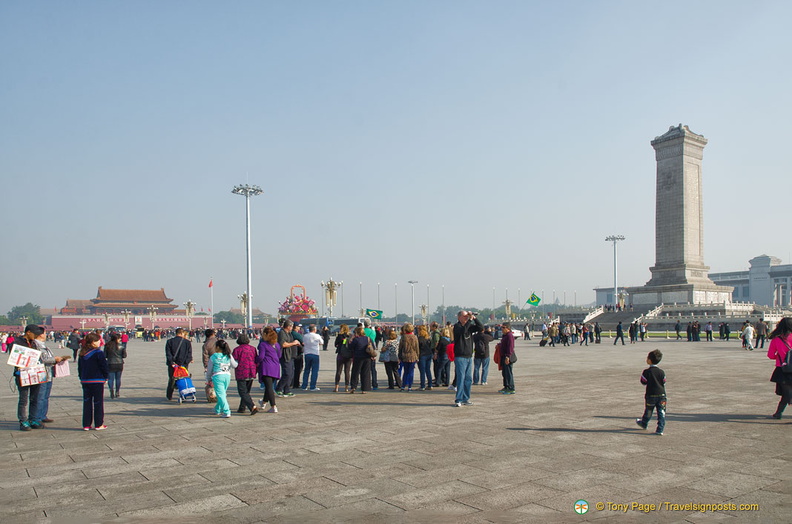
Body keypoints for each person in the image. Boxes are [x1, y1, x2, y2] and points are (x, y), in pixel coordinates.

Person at [14, 325, 47, 430]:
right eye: (35, 333)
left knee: (35, 398)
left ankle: (33, 419)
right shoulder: (17, 342)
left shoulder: (34, 343)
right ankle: (23, 421)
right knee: (23, 399)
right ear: (28, 332)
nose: (37, 336)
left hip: (35, 373)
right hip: (22, 374)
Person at [78, 332, 109, 431]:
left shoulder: (82, 353)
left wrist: (81, 377)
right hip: (97, 380)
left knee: (87, 402)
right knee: (98, 402)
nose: (99, 342)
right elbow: (104, 366)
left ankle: (86, 424)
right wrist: (106, 377)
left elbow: (80, 368)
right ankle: (98, 424)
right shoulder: (98, 353)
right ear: (92, 342)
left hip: (85, 380)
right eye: (97, 340)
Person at [452, 310, 483, 407]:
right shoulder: (457, 327)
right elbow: (463, 331)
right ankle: (459, 399)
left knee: (468, 379)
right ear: (459, 317)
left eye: (467, 316)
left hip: (469, 356)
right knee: (461, 378)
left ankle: (466, 398)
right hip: (460, 356)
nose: (466, 318)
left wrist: (475, 319)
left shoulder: (469, 326)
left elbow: (480, 328)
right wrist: (469, 320)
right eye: (464, 316)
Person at [635, 349, 666, 436]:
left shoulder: (646, 372)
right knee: (661, 412)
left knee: (649, 410)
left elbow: (643, 382)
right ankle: (660, 429)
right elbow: (664, 381)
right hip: (662, 394)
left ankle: (644, 423)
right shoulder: (661, 372)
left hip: (651, 394)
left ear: (649, 360)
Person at [768, 318, 792, 419]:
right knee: (788, 395)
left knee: (787, 394)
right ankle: (778, 413)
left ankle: (778, 413)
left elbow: (770, 355)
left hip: (783, 369)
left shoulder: (776, 339)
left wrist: (779, 357)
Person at [206, 339, 237, 418]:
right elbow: (234, 365)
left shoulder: (214, 356)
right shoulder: (228, 355)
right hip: (227, 375)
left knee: (221, 395)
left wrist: (208, 378)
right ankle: (217, 409)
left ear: (218, 347)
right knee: (222, 394)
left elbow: (209, 369)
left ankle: (227, 411)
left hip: (217, 376)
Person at [256, 327, 281, 413]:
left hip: (266, 367)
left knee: (269, 387)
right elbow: (279, 355)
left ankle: (273, 406)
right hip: (275, 367)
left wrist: (255, 361)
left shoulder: (263, 345)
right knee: (269, 386)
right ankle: (263, 402)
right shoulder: (277, 344)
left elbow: (261, 356)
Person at [232, 334, 258, 415]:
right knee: (246, 391)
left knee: (242, 391)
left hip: (242, 372)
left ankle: (252, 406)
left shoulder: (237, 350)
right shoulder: (253, 349)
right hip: (251, 371)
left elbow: (233, 361)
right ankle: (242, 407)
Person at [165, 328, 193, 401]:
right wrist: (185, 363)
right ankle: (183, 394)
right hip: (183, 365)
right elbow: (189, 355)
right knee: (183, 379)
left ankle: (169, 395)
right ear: (181, 333)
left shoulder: (169, 341)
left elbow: (168, 354)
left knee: (172, 379)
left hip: (173, 365)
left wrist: (172, 363)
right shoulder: (187, 342)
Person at [276, 320, 300, 397]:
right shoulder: (282, 333)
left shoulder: (289, 333)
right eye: (291, 326)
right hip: (285, 356)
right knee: (287, 373)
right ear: (288, 326)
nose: (292, 328)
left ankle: (287, 390)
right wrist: (293, 343)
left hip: (291, 356)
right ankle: (279, 388)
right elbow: (283, 344)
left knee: (291, 374)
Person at [348, 327, 372, 393]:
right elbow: (373, 346)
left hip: (358, 357)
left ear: (357, 332)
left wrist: (351, 339)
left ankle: (353, 387)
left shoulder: (356, 339)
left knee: (355, 372)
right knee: (365, 373)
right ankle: (365, 388)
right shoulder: (368, 338)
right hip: (367, 357)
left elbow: (350, 347)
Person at [105, 333, 126, 399]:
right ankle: (117, 392)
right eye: (119, 338)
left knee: (110, 379)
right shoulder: (121, 346)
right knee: (118, 378)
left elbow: (105, 355)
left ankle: (111, 391)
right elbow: (124, 356)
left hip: (110, 363)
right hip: (119, 363)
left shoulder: (107, 345)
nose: (120, 339)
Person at [301, 324, 323, 391]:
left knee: (306, 370)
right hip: (315, 353)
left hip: (307, 353)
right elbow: (322, 342)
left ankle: (304, 386)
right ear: (314, 330)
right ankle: (312, 386)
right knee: (314, 371)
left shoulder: (305, 336)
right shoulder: (317, 336)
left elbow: (303, 343)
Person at [398, 323, 419, 392]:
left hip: (405, 356)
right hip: (413, 356)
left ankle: (403, 386)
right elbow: (417, 348)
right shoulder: (415, 337)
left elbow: (400, 348)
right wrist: (417, 356)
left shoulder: (403, 337)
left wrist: (399, 356)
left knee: (405, 372)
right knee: (411, 372)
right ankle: (410, 387)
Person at [333, 324, 353, 392]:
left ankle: (336, 387)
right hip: (348, 356)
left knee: (338, 371)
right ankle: (346, 387)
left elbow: (335, 344)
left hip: (340, 355)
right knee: (347, 372)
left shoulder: (339, 336)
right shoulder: (350, 336)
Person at [499, 323, 516, 394]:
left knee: (508, 373)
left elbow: (510, 347)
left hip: (508, 356)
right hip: (503, 356)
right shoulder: (505, 336)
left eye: (503, 327)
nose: (502, 329)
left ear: (508, 328)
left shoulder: (510, 336)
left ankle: (511, 388)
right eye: (501, 327)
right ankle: (506, 386)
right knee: (504, 373)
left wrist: (507, 356)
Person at [416, 324, 433, 391]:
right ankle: (430, 384)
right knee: (428, 370)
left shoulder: (420, 338)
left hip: (422, 355)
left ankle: (422, 385)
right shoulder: (428, 337)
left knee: (422, 371)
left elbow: (418, 348)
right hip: (429, 354)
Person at [363, 319, 379, 390]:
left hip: (362, 351)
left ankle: (365, 384)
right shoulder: (373, 332)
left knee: (363, 370)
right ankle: (374, 384)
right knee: (373, 370)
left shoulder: (362, 331)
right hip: (371, 350)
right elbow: (373, 340)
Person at [291, 325, 305, 390]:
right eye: (298, 326)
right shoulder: (297, 334)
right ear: (295, 327)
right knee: (298, 368)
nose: (299, 328)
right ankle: (296, 383)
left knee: (291, 369)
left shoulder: (289, 333)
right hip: (298, 353)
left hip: (290, 353)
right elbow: (303, 342)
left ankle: (291, 382)